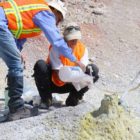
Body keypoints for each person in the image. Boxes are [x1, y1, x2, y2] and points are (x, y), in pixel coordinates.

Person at [0, 0, 83, 121]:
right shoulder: (45, 12)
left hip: (3, 25)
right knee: (16, 66)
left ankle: (15, 105)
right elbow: (57, 41)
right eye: (58, 19)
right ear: (54, 10)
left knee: (16, 62)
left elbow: (19, 34)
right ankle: (16, 108)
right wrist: (75, 60)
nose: (57, 23)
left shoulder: (34, 14)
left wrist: (17, 52)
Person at [33, 23, 99, 109]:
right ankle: (46, 99)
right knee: (40, 65)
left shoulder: (82, 49)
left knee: (93, 70)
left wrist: (84, 77)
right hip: (54, 82)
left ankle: (74, 98)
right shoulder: (56, 47)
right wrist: (74, 76)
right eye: (71, 38)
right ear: (65, 38)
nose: (74, 41)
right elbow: (58, 74)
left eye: (76, 38)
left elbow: (84, 69)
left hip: (72, 84)